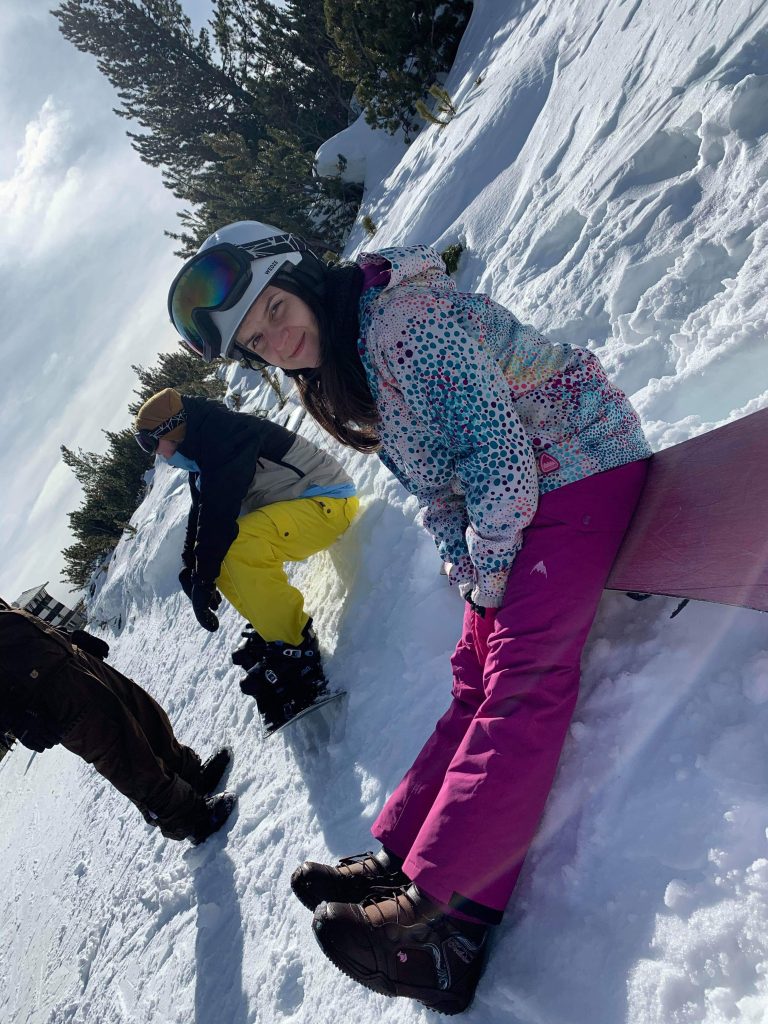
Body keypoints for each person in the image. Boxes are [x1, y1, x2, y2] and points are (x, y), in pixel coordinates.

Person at [166, 221, 652, 1012]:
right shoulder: (347, 357)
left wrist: (491, 569)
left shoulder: (400, 325)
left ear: (302, 278)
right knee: (473, 673)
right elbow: (438, 487)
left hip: (581, 461)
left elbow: (498, 457)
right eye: (258, 340)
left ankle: (449, 922)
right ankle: (405, 851)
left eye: (276, 311)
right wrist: (471, 568)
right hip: (526, 494)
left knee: (521, 675)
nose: (276, 340)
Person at [133, 388, 358, 734]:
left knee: (232, 546)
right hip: (301, 508)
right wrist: (191, 572)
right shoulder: (202, 455)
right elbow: (203, 513)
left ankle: (295, 646)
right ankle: (275, 633)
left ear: (172, 428)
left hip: (327, 504)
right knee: (221, 554)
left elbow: (220, 512)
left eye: (150, 443)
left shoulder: (225, 435)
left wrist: (203, 577)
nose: (154, 455)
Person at [0, 599, 234, 845]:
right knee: (125, 754)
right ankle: (190, 818)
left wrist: (68, 637)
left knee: (145, 714)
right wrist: (13, 716)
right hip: (47, 695)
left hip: (68, 661)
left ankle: (190, 778)